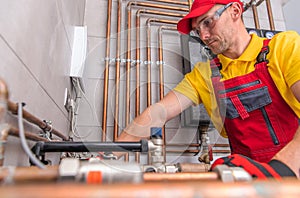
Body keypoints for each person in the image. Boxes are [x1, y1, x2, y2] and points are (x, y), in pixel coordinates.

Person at [116, 0, 300, 179]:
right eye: (197, 30)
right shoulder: (205, 74)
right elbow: (158, 113)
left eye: (208, 22)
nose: (203, 36)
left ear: (235, 11)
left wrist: (282, 169)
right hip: (248, 181)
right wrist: (107, 154)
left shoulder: (284, 47)